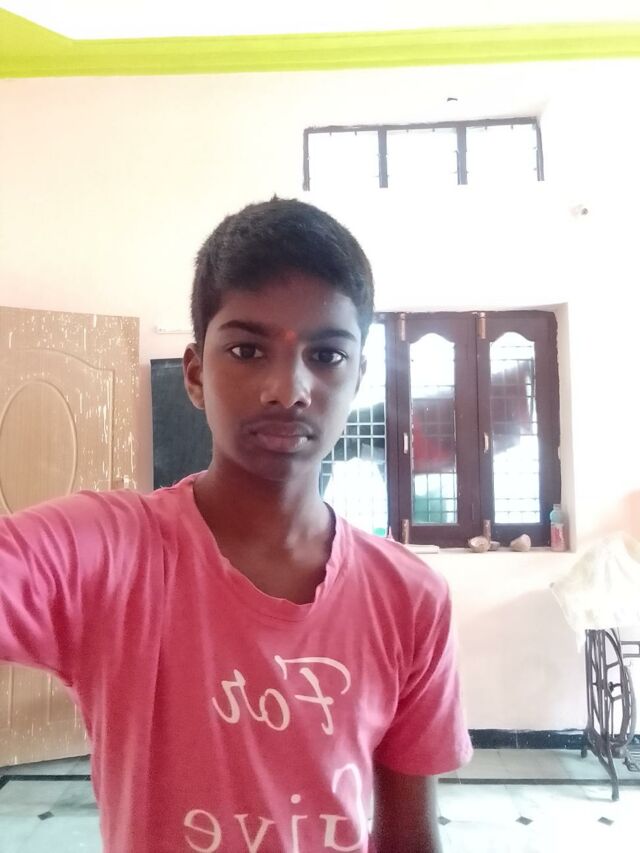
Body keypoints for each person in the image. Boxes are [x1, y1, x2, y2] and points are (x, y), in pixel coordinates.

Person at [0, 198, 472, 852]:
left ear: (359, 375)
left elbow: (411, 837)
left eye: (327, 355)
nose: (288, 389)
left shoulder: (408, 597)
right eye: (247, 350)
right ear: (195, 374)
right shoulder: (108, 554)